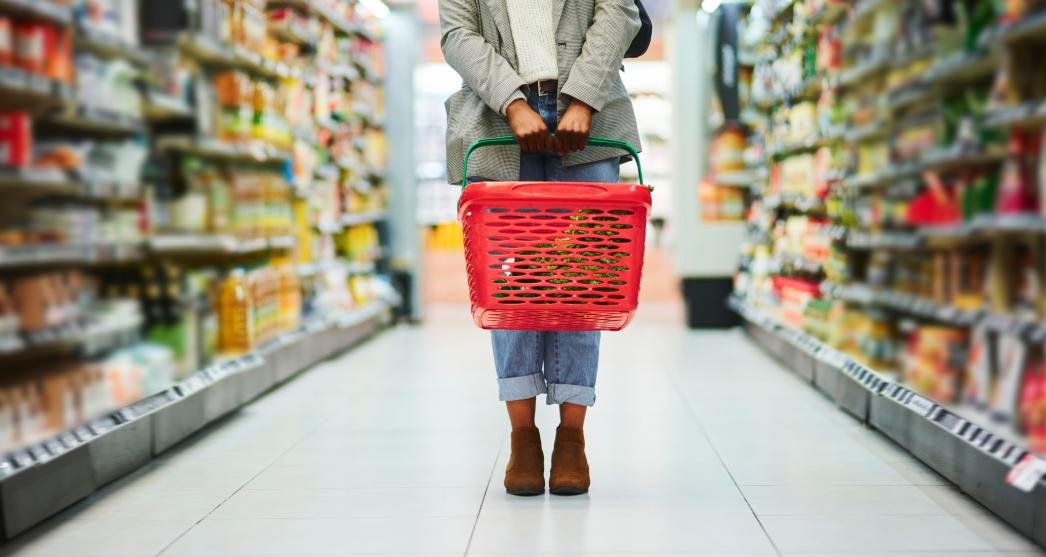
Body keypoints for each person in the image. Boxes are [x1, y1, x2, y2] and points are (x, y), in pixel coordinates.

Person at [440, 0, 642, 496]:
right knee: (509, 283)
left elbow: (619, 12)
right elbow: (456, 32)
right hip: (495, 117)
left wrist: (584, 99)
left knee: (583, 279)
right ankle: (522, 437)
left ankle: (572, 437)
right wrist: (512, 102)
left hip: (591, 115)